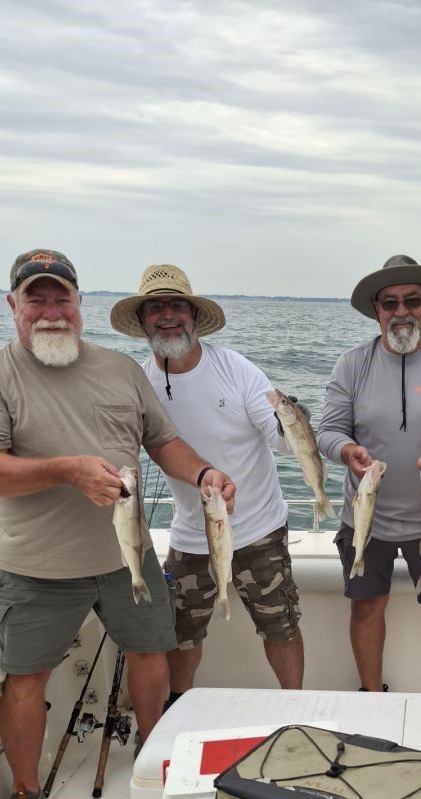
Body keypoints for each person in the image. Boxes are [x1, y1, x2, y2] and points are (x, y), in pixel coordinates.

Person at [0, 249, 234, 799]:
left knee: (152, 652)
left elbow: (163, 442)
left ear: (80, 304)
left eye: (62, 297)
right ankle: (26, 793)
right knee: (26, 679)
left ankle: (153, 753)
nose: (51, 310)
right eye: (36, 298)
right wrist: (66, 470)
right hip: (37, 568)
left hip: (125, 557)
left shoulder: (121, 370)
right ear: (13, 306)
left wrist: (205, 473)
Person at [110, 264, 304, 701]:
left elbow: (278, 434)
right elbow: (120, 445)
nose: (168, 315)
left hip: (259, 528)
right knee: (182, 635)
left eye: (177, 305)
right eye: (155, 308)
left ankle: (294, 704)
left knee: (281, 626)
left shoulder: (236, 368)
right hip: (191, 534)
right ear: (142, 320)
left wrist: (293, 424)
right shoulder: (139, 383)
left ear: (194, 315)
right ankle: (179, 706)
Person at [317, 254, 421, 693]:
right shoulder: (351, 364)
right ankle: (372, 695)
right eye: (389, 303)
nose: (401, 311)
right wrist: (348, 451)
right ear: (376, 310)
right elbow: (327, 432)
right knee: (366, 609)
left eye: (412, 300)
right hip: (364, 521)